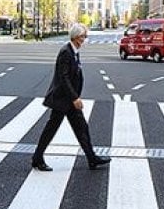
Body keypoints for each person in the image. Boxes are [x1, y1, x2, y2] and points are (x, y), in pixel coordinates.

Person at [32, 23, 112, 172]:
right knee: (51, 129)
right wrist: (75, 98)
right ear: (75, 37)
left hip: (68, 100)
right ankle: (37, 158)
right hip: (62, 100)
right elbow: (64, 78)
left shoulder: (73, 51)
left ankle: (91, 158)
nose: (84, 40)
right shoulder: (66, 52)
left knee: (81, 128)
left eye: (85, 36)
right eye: (83, 37)